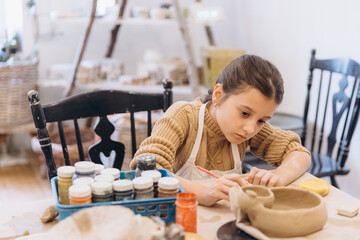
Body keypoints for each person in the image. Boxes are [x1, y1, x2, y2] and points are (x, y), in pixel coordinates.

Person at [130, 54, 311, 206]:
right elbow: (146, 168)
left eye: (262, 120)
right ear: (218, 95)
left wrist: (278, 176)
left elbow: (299, 154)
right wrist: (204, 193)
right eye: (245, 113)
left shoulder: (248, 127)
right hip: (182, 215)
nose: (250, 129)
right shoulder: (183, 116)